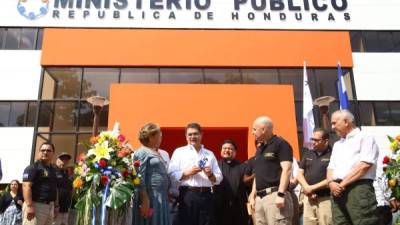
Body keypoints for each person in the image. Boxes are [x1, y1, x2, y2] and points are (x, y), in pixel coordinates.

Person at [327, 109, 379, 225]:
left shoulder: (365, 137)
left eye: (334, 123)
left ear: (346, 121)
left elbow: (365, 165)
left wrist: (341, 185)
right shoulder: (337, 144)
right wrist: (331, 183)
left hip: (358, 188)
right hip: (337, 191)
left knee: (364, 221)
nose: (332, 127)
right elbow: (330, 167)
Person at [168, 122, 222, 225]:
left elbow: (219, 177)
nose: (193, 136)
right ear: (186, 136)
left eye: (196, 134)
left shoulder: (209, 154)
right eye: (190, 134)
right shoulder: (179, 152)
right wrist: (187, 173)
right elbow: (171, 174)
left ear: (201, 135)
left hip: (207, 195)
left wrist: (211, 175)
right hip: (187, 195)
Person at [248, 116, 293, 225]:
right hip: (259, 198)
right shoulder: (259, 149)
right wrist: (253, 194)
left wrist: (281, 194)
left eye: (254, 129)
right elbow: (258, 173)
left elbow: (287, 170)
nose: (252, 133)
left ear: (263, 129)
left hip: (275, 195)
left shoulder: (281, 144)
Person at [132, 123, 171, 225]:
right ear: (151, 137)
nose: (161, 139)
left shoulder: (155, 152)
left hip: (161, 196)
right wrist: (145, 199)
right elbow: (138, 176)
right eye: (159, 136)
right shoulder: (142, 152)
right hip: (151, 196)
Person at [297, 128, 332, 225]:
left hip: (325, 199)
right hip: (308, 198)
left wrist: (311, 188)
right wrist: (307, 188)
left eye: (317, 140)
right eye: (312, 139)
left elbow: (332, 178)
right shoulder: (308, 153)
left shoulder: (333, 154)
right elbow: (299, 174)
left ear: (326, 141)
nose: (313, 142)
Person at [22, 142, 58, 225]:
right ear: (39, 152)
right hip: (36, 205)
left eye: (48, 150)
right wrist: (30, 206)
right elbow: (26, 186)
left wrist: (56, 206)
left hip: (50, 207)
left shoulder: (53, 170)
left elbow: (55, 188)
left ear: (53, 153)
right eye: (43, 150)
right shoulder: (33, 168)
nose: (45, 152)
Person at [214, 140, 248, 225]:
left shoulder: (243, 166)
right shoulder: (216, 166)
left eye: (230, 149)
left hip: (238, 207)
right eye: (224, 148)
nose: (227, 150)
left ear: (235, 152)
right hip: (220, 206)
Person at [54, 152, 72, 225]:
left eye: (66, 160)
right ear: (57, 160)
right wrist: (56, 205)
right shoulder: (53, 171)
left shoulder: (66, 173)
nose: (64, 162)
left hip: (65, 208)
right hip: (56, 209)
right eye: (62, 159)